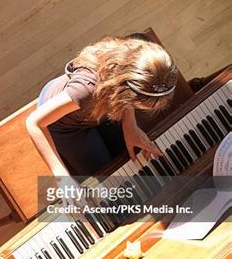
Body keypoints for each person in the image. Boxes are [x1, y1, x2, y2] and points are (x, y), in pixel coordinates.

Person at [26, 33, 178, 180]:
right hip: (65, 124)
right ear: (124, 91)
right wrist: (62, 177)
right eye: (136, 104)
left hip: (97, 106)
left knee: (132, 157)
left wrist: (130, 126)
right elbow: (34, 123)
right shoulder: (85, 90)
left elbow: (127, 94)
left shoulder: (142, 50)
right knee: (108, 175)